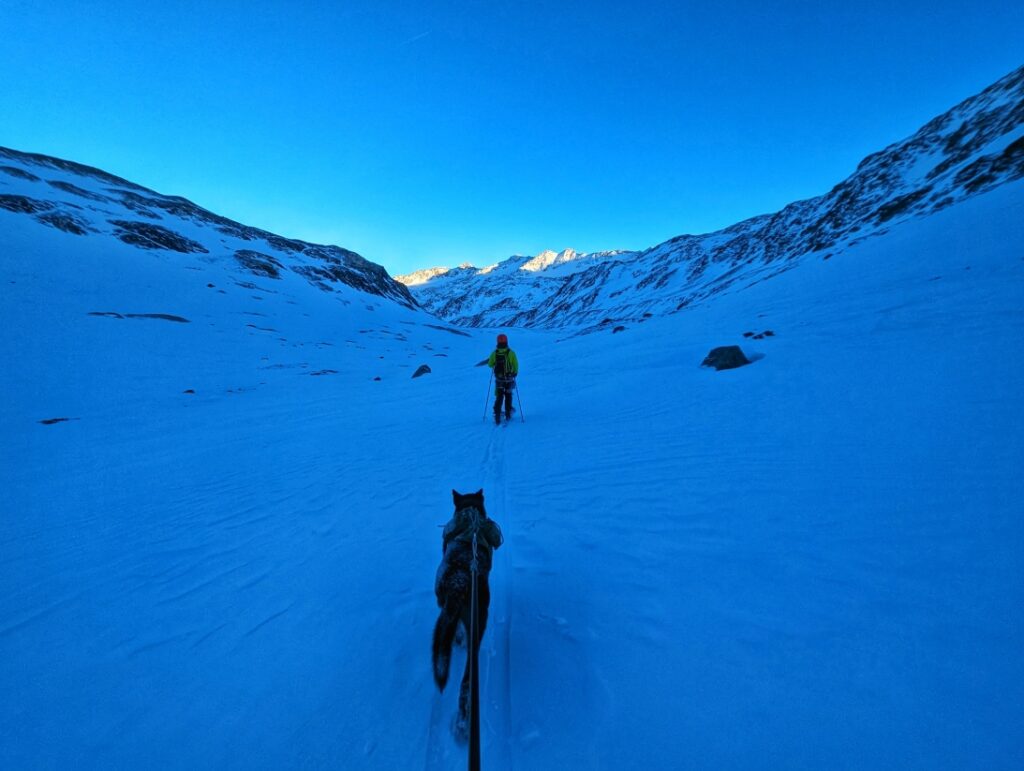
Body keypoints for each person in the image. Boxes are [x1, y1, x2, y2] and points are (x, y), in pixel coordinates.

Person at [487, 333, 519, 424]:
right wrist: (515, 373)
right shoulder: (511, 353)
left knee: (499, 396)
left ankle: (497, 414)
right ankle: (508, 413)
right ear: (506, 341)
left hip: (499, 379)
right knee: (508, 395)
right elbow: (515, 364)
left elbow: (490, 364)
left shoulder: (495, 353)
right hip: (509, 378)